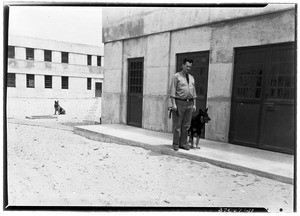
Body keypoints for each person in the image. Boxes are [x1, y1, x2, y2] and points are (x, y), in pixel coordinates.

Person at [169, 58, 197, 151]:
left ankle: (183, 143)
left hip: (189, 103)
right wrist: (173, 104)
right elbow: (172, 91)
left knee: (186, 125)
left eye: (190, 67)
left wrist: (194, 104)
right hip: (179, 102)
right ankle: (176, 143)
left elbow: (194, 92)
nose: (188, 68)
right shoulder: (176, 76)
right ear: (182, 65)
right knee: (177, 125)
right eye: (187, 66)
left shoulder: (192, 78)